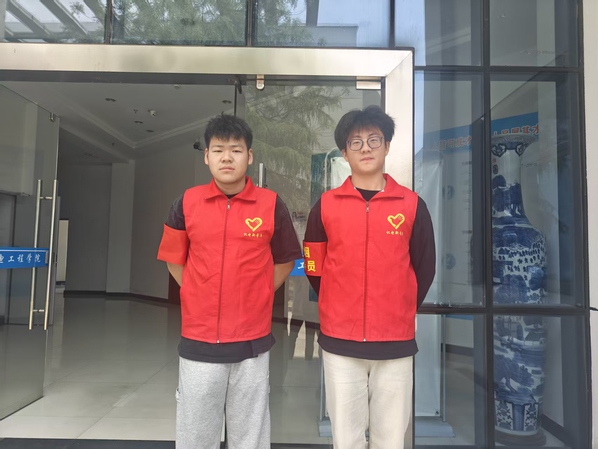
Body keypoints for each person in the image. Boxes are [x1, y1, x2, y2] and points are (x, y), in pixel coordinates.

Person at [157, 114, 302, 449]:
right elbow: (173, 259)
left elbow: (285, 260)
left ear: (249, 156)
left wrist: (260, 292)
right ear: (206, 156)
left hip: (251, 340)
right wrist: (196, 291)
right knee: (196, 434)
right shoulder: (186, 203)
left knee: (250, 435)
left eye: (235, 150)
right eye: (218, 150)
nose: (227, 157)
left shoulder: (271, 204)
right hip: (199, 338)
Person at [303, 105, 436, 449]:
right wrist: (337, 301)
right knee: (345, 439)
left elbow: (425, 267)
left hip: (394, 341)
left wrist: (399, 306)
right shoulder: (325, 206)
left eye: (374, 140)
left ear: (387, 146)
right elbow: (315, 268)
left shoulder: (412, 205)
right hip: (340, 341)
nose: (365, 148)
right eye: (356, 142)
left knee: (390, 439)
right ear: (344, 152)